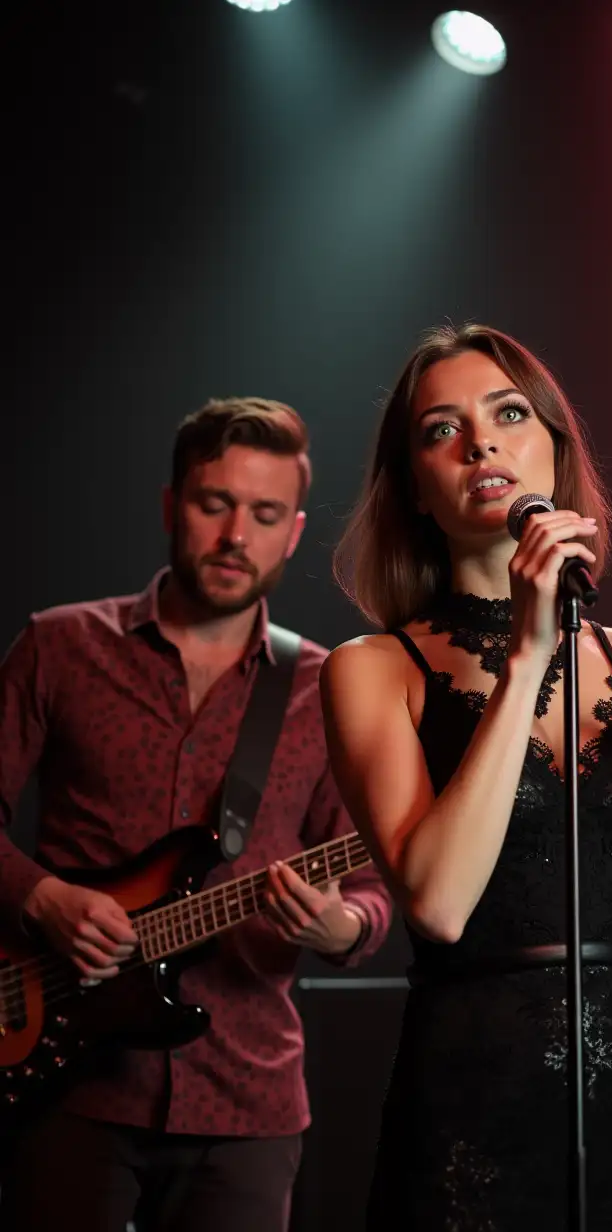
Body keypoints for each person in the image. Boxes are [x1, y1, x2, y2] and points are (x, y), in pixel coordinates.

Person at [321, 324, 612, 1230]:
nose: (481, 442)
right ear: (414, 489)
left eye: (510, 414)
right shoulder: (372, 668)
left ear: (555, 453)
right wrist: (525, 656)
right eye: (442, 429)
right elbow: (438, 904)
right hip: (470, 1102)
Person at [0, 398, 392, 1232]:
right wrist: (43, 898)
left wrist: (342, 926)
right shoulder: (58, 647)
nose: (235, 537)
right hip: (66, 1076)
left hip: (247, 1097)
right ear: (171, 505)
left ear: (291, 533)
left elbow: (368, 881)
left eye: (265, 514)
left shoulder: (331, 687)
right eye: (215, 504)